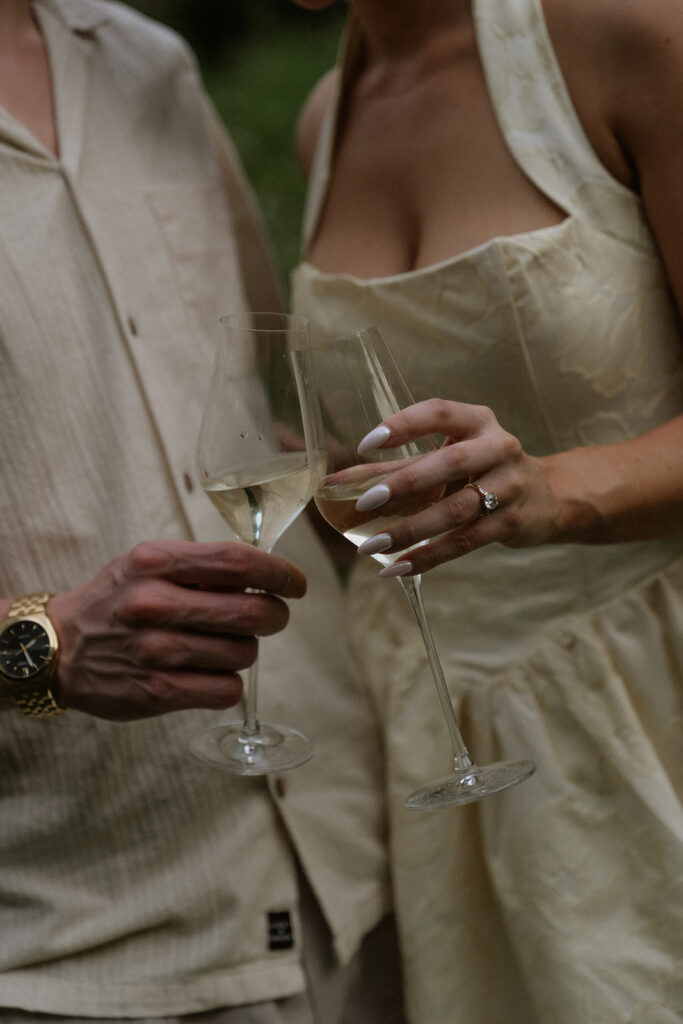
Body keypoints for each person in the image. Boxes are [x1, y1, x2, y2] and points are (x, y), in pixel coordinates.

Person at [0, 1, 407, 1021]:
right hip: (82, 949)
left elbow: (224, 409)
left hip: (358, 884)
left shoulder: (147, 62)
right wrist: (40, 644)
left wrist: (370, 481)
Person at [289, 0, 683, 1021]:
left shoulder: (623, 35)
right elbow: (375, 465)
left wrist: (554, 491)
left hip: (641, 697)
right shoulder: (325, 117)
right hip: (423, 745)